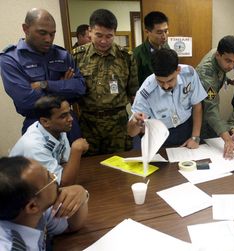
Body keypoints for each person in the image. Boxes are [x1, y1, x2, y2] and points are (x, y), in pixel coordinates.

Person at [0, 8, 85, 144]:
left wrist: (46, 85)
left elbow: (80, 88)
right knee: (42, 166)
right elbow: (25, 101)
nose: (48, 39)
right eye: (42, 33)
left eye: (52, 34)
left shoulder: (62, 55)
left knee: (78, 163)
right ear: (26, 29)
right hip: (37, 125)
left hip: (69, 125)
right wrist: (63, 86)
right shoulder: (11, 59)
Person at [72, 9, 139, 155]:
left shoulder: (126, 57)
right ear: (90, 31)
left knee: (120, 167)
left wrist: (137, 121)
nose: (104, 41)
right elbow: (71, 93)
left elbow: (134, 94)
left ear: (115, 33)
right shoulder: (78, 56)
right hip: (88, 124)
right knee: (90, 168)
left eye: (109, 36)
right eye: (99, 35)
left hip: (118, 126)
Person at [0, 156, 88, 251]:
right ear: (32, 206)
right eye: (48, 178)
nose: (54, 176)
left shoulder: (35, 212)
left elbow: (72, 226)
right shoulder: (10, 247)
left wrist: (81, 193)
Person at [128, 48, 207, 148]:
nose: (166, 86)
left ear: (178, 70)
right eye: (160, 81)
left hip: (187, 128)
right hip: (160, 135)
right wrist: (135, 123)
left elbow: (197, 105)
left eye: (170, 80)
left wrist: (195, 137)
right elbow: (131, 133)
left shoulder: (189, 74)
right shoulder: (146, 92)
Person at [10, 96, 89, 186]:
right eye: (63, 116)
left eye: (69, 113)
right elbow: (63, 184)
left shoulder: (56, 128)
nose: (71, 119)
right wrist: (76, 150)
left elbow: (65, 164)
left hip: (38, 186)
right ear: (45, 122)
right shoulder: (34, 146)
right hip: (18, 192)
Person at [196, 35, 234, 159]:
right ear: (218, 55)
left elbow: (219, 75)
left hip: (208, 108)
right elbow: (210, 109)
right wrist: (227, 140)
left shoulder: (220, 55)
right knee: (204, 150)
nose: (232, 66)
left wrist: (229, 81)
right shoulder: (206, 73)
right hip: (198, 113)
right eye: (228, 61)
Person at [133, 11, 170, 85]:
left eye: (166, 31)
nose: (164, 36)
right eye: (159, 32)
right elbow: (134, 85)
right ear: (147, 32)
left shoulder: (167, 49)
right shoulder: (137, 54)